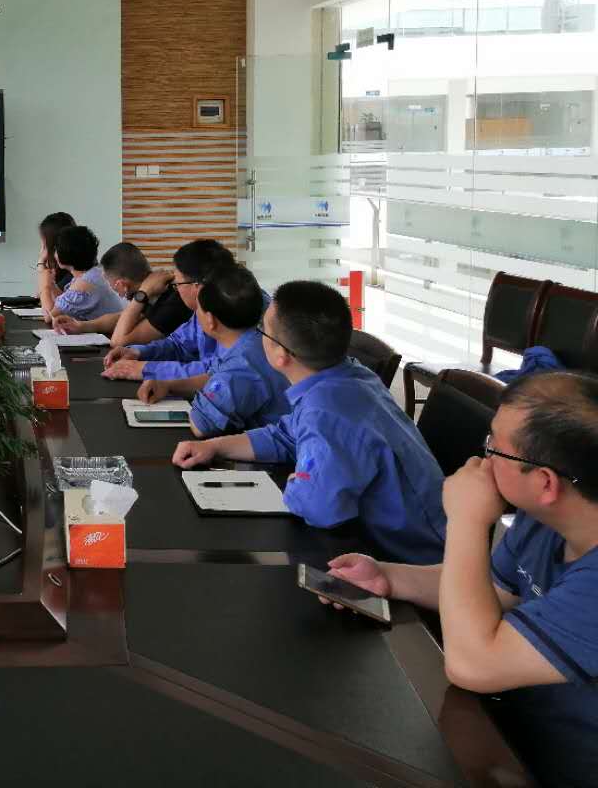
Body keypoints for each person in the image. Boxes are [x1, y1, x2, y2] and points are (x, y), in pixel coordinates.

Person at [322, 372, 598, 788]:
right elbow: (491, 593)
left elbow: (473, 664)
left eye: (494, 448)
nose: (481, 461)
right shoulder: (544, 520)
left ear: (545, 483)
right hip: (506, 730)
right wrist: (388, 576)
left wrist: (467, 519)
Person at [173, 280, 447, 564]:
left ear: (281, 355)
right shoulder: (347, 377)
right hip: (396, 542)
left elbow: (321, 509)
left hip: (412, 560)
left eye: (262, 330)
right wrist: (215, 447)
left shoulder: (326, 411)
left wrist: (300, 486)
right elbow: (284, 436)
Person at [135, 264, 290, 437]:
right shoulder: (252, 340)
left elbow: (202, 425)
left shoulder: (243, 364)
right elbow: (213, 377)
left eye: (198, 309)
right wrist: (169, 385)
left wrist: (204, 400)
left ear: (210, 320)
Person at [104, 239, 237, 381]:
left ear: (197, 286)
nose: (176, 290)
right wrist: (137, 352)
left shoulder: (237, 311)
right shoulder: (203, 309)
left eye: (178, 284)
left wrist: (146, 369)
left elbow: (218, 371)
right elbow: (178, 345)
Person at [51, 241, 192, 344]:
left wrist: (142, 294)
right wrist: (81, 326)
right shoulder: (151, 293)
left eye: (110, 283)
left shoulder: (171, 301)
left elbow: (118, 341)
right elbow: (121, 317)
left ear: (121, 285)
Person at [49, 225, 128, 322]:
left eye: (56, 249)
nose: (54, 254)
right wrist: (51, 284)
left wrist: (44, 282)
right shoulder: (93, 273)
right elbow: (65, 303)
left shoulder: (86, 283)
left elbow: (50, 317)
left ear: (66, 253)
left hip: (109, 332)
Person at [36, 211, 76, 316]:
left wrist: (41, 263)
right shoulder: (66, 269)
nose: (42, 248)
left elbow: (50, 314)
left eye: (44, 244)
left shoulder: (75, 274)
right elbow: (41, 298)